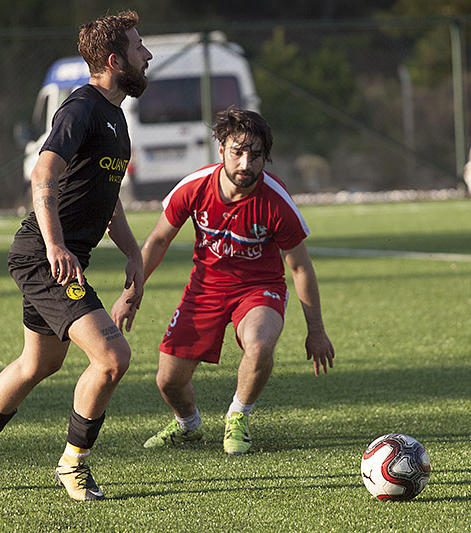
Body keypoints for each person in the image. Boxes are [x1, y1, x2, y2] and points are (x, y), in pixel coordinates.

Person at [0, 11, 152, 502]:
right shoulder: (80, 108)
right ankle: (73, 464)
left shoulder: (116, 116)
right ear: (116, 60)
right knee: (112, 357)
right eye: (140, 48)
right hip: (45, 254)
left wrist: (133, 251)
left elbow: (107, 196)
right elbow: (43, 175)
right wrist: (56, 245)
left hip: (60, 254)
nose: (148, 55)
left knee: (38, 362)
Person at [121, 107, 334, 455]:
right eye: (238, 152)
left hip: (259, 290)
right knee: (168, 380)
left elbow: (299, 268)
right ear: (221, 149)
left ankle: (238, 416)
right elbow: (157, 241)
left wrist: (316, 330)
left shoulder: (276, 201)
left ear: (266, 158)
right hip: (204, 290)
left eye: (255, 155)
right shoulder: (194, 187)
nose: (245, 164)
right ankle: (188, 426)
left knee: (260, 342)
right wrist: (130, 293)